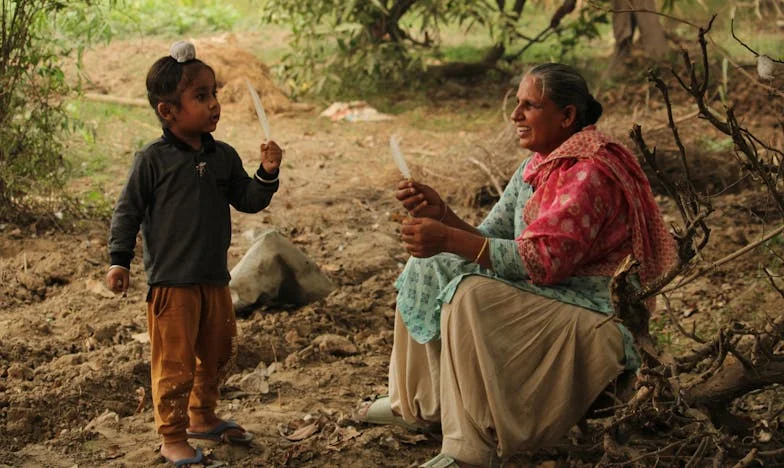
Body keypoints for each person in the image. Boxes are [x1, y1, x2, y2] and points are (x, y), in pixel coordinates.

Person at [358, 63, 677, 467]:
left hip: (597, 312)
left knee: (470, 293)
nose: (515, 115)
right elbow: (490, 238)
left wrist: (449, 236)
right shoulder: (538, 165)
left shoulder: (588, 171)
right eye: (518, 104)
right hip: (556, 290)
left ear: (567, 116)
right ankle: (421, 405)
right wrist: (442, 215)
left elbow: (542, 261)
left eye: (530, 106)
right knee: (435, 261)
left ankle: (470, 448)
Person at [106, 41, 283, 467]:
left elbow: (247, 199)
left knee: (219, 350)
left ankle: (202, 415)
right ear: (168, 112)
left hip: (214, 279)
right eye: (201, 97)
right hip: (172, 284)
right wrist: (119, 259)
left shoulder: (222, 156)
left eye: (214, 93)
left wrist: (267, 174)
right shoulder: (153, 160)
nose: (214, 104)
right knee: (175, 363)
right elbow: (127, 210)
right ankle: (172, 435)